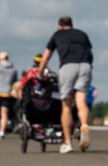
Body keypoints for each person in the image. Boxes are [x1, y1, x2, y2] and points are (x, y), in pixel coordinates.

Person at [37, 16, 94, 154]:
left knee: (66, 106)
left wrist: (40, 73)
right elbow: (89, 51)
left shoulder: (57, 35)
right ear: (71, 25)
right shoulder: (82, 34)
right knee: (81, 102)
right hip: (85, 65)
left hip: (68, 66)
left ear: (59, 26)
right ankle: (84, 125)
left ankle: (68, 142)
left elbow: (46, 57)